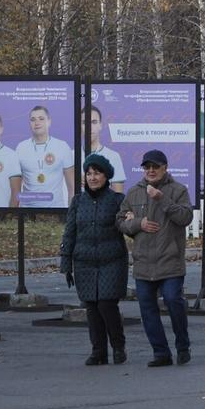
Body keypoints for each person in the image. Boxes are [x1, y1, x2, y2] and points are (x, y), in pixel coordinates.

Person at [116, 149, 193, 367]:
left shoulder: (178, 190)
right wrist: (136, 223)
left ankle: (183, 346)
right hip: (143, 263)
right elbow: (120, 221)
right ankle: (161, 353)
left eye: (155, 167)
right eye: (147, 167)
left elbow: (185, 217)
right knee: (147, 310)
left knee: (172, 300)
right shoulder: (133, 192)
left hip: (170, 260)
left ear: (165, 168)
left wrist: (163, 200)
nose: (150, 171)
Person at [61, 154, 129, 366]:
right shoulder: (78, 201)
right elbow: (69, 232)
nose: (92, 177)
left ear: (106, 176)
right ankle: (98, 351)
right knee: (91, 307)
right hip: (84, 262)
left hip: (112, 260)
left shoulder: (117, 200)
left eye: (97, 173)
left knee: (107, 305)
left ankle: (118, 346)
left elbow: (128, 227)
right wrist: (66, 262)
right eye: (89, 173)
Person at [16, 105, 75, 208]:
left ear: (49, 121)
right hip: (27, 212)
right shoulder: (21, 148)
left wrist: (70, 214)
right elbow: (15, 187)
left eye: (41, 119)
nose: (37, 123)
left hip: (56, 211)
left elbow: (72, 186)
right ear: (29, 124)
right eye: (33, 120)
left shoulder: (62, 146)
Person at [80, 105, 126, 192]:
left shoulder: (113, 156)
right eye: (85, 123)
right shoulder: (71, 156)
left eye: (94, 122)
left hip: (104, 205)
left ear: (100, 125)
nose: (89, 127)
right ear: (80, 126)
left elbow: (118, 195)